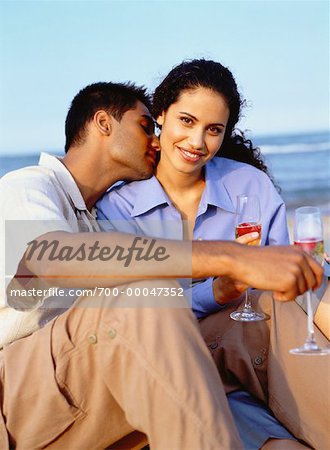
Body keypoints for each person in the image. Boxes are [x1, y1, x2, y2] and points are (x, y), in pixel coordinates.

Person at [0, 82, 322, 450]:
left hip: (86, 384)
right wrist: (233, 256)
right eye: (144, 126)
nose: (155, 141)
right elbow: (50, 257)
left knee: (257, 316)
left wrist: (224, 288)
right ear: (104, 123)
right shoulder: (28, 187)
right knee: (145, 299)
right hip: (22, 391)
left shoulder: (94, 217)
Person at [96, 60, 313, 449]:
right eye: (186, 120)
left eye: (213, 130)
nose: (197, 142)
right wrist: (216, 291)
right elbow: (131, 312)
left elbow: (286, 279)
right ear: (160, 114)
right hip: (173, 358)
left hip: (257, 349)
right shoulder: (118, 209)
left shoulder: (249, 184)